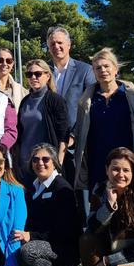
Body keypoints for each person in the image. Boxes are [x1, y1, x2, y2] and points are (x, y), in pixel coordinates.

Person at [73, 48, 134, 207]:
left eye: (106, 66)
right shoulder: (86, 100)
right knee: (101, 211)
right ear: (93, 71)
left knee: (130, 207)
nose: (103, 71)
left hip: (126, 165)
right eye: (98, 68)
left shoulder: (132, 97)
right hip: (98, 164)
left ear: (116, 69)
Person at [14, 143, 81, 266]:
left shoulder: (62, 189)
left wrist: (31, 236)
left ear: (54, 162)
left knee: (27, 253)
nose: (40, 163)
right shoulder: (33, 186)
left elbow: (64, 229)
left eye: (45, 159)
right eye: (35, 160)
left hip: (63, 246)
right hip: (42, 240)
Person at [47, 26, 96, 183]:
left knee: (81, 193)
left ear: (69, 45)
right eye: (52, 44)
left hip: (77, 142)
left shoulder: (85, 70)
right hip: (51, 140)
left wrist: (73, 136)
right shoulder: (43, 71)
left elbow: (91, 105)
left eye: (60, 42)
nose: (56, 47)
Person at [12, 59, 70, 184]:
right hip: (25, 163)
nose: (33, 77)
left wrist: (57, 164)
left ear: (48, 76)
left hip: (46, 165)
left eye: (38, 74)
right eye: (29, 74)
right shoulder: (25, 101)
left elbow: (63, 135)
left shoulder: (55, 100)